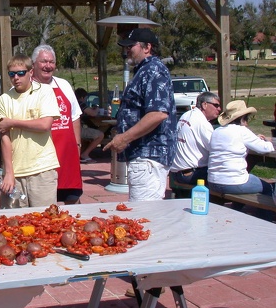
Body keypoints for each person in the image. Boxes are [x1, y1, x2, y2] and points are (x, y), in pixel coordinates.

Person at [103, 28, 176, 202]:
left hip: (148, 157)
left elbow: (158, 113)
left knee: (144, 218)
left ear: (147, 47)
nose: (127, 50)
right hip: (143, 156)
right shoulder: (145, 71)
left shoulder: (153, 70)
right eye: (125, 47)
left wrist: (124, 138)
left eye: (131, 46)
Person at [0, 54, 60, 208]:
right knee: (12, 224)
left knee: (46, 221)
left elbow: (45, 124)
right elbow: (5, 138)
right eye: (12, 74)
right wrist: (9, 173)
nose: (16, 77)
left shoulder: (45, 91)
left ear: (30, 72)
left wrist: (13, 122)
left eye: (20, 73)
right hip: (15, 173)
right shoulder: (4, 99)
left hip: (42, 169)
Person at [31, 45, 83, 203]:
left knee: (73, 200)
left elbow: (75, 116)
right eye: (43, 61)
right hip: (39, 159)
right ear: (33, 64)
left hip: (66, 157)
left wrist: (78, 145)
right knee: (44, 205)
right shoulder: (25, 88)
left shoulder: (64, 85)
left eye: (51, 62)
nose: (48, 65)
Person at [208, 100, 275, 199]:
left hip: (213, 181)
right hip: (234, 182)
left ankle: (237, 209)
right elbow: (265, 148)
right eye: (247, 118)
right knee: (270, 188)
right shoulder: (242, 131)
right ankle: (263, 214)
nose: (247, 122)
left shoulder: (216, 131)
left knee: (248, 185)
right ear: (242, 118)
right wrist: (269, 141)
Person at [170, 92, 221, 185]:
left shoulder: (186, 115)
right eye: (216, 105)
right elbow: (218, 150)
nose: (219, 109)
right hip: (192, 174)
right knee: (230, 174)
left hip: (177, 173)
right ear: (204, 105)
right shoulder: (202, 123)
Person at [75, 88, 105, 164]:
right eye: (85, 98)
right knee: (100, 135)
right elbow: (93, 113)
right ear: (82, 97)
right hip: (78, 129)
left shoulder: (74, 103)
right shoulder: (80, 103)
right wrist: (97, 109)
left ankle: (83, 153)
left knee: (92, 132)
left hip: (75, 128)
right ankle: (85, 154)